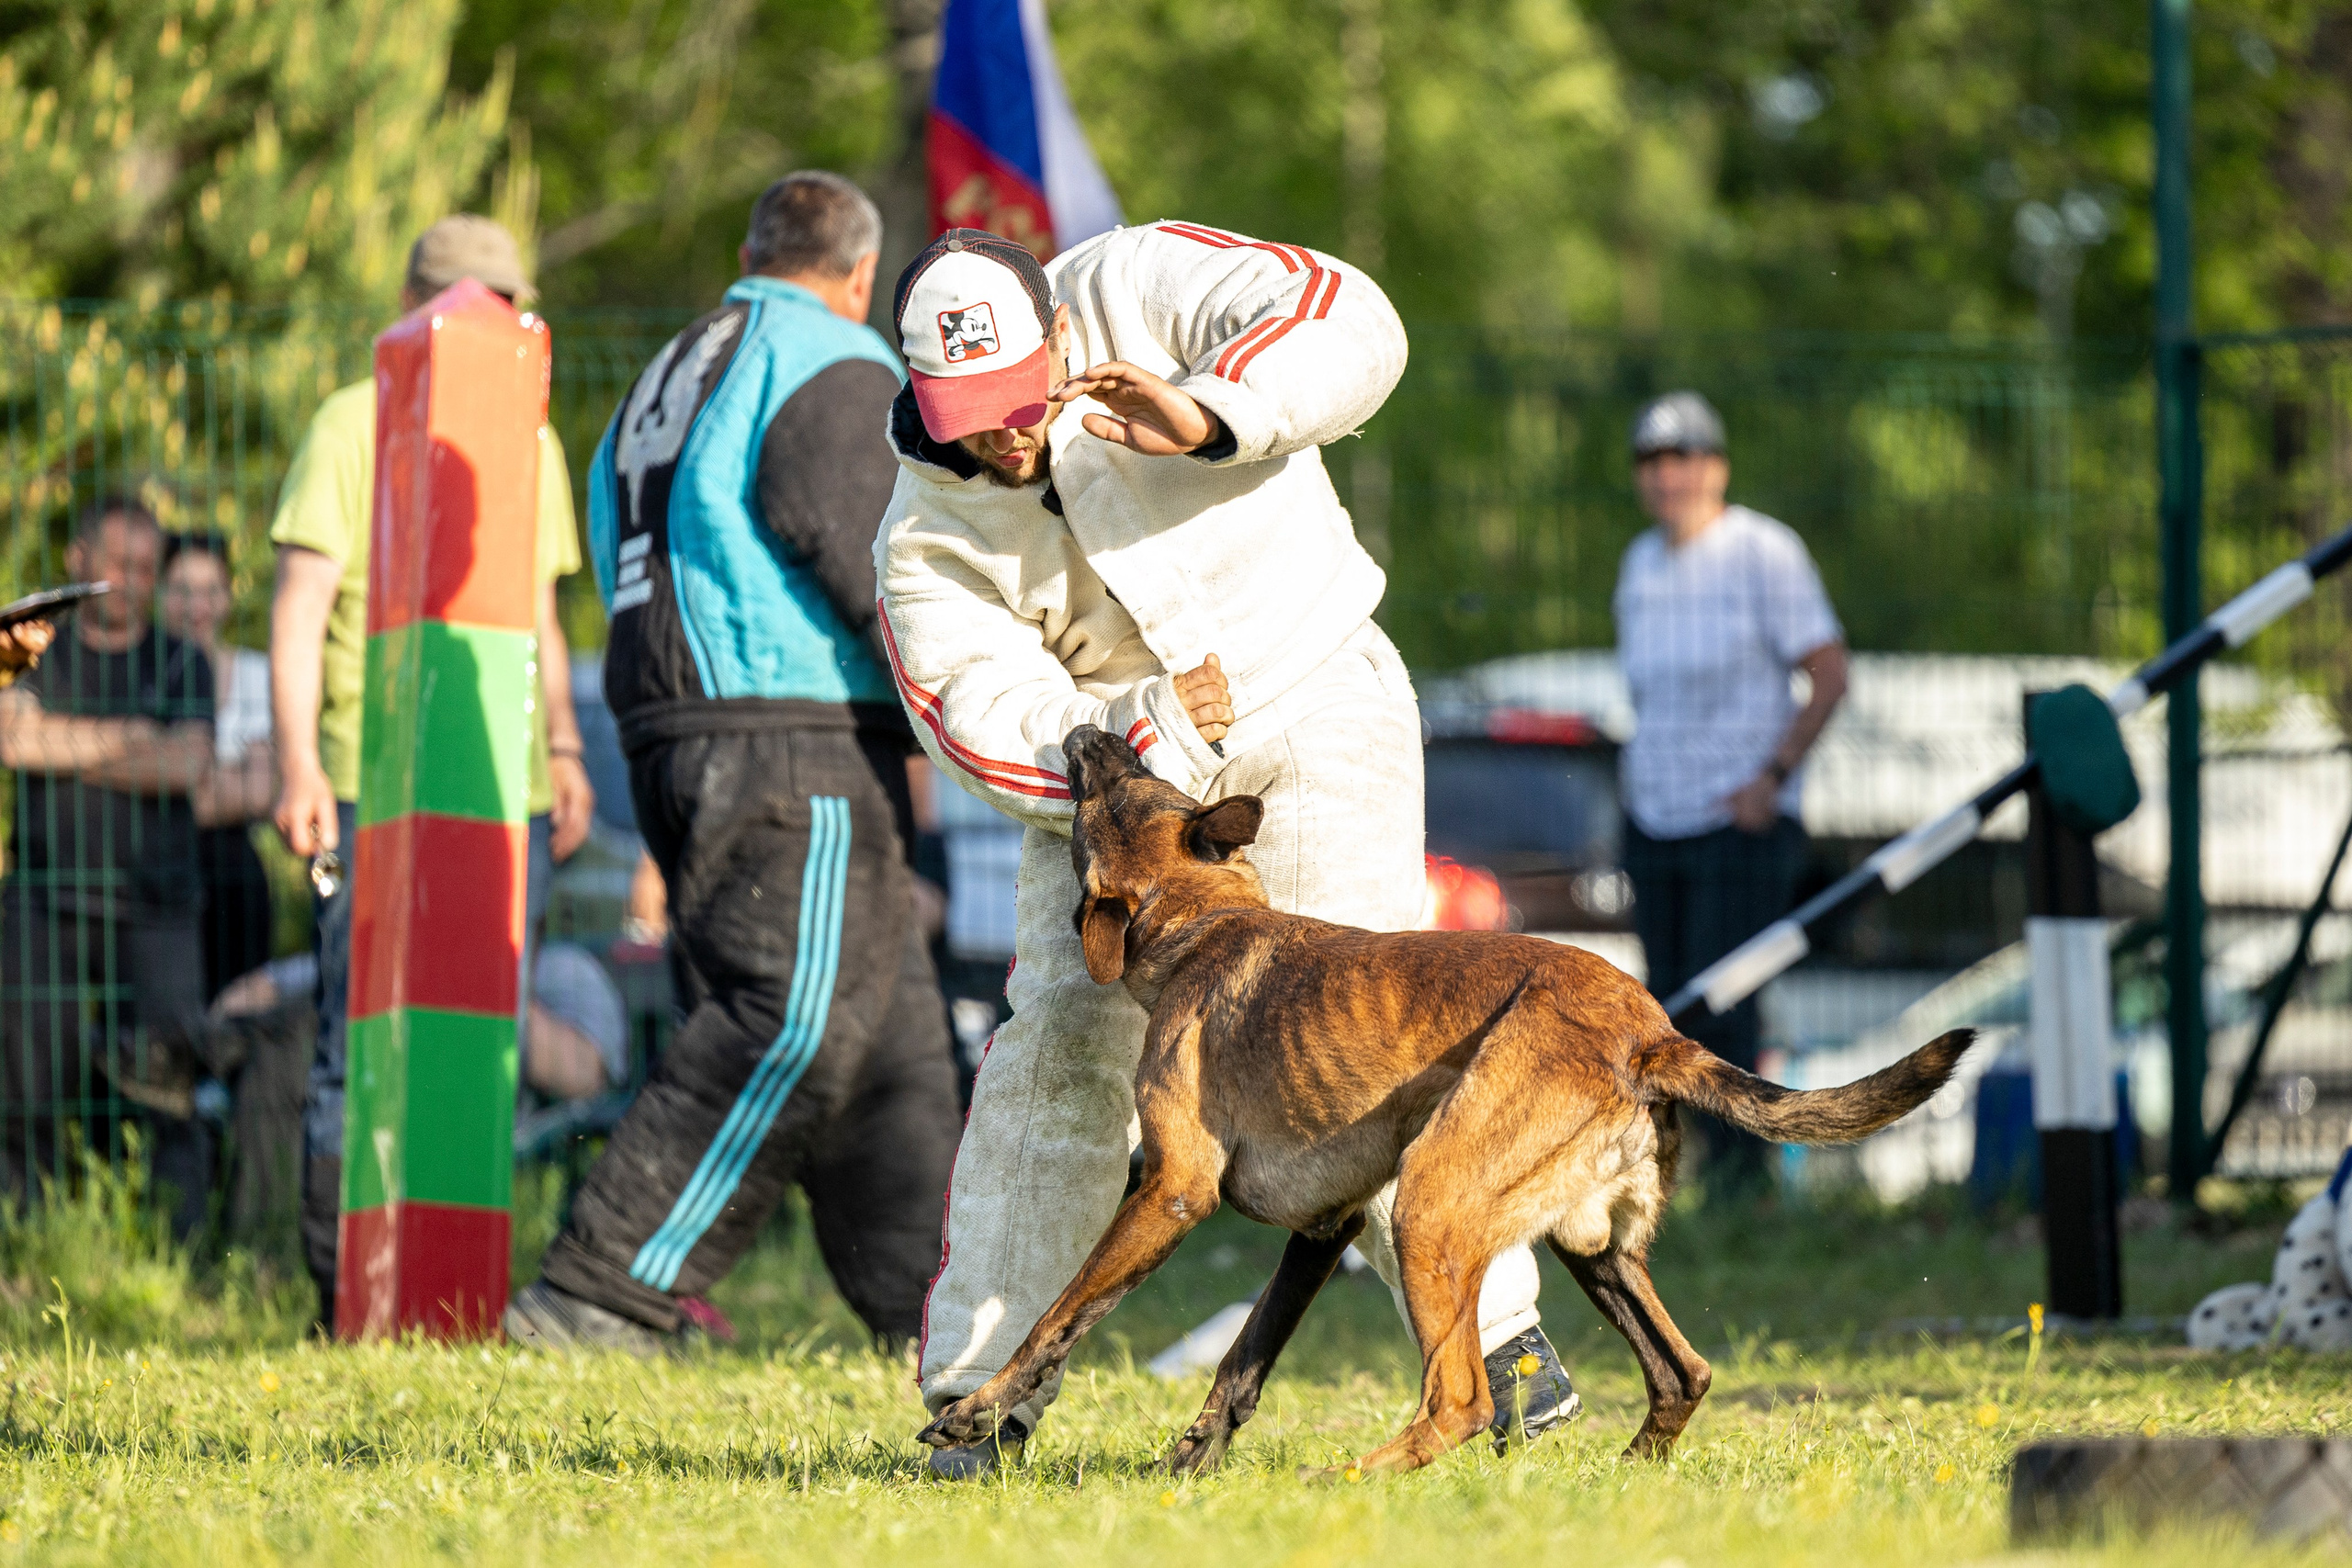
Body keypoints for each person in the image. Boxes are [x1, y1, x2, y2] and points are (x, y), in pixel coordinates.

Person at [879, 223, 1575, 1478]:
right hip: (1117, 790)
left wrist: (1213, 413)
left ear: (1057, 330)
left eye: (1021, 397)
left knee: (1376, 1023)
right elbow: (979, 720)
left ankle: (1502, 1339)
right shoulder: (924, 539)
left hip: (1314, 689)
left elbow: (1355, 318)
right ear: (919, 399)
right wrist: (1137, 735)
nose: (1007, 435)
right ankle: (979, 1395)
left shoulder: (1138, 278)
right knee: (1057, 1052)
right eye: (971, 418)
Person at [502, 173, 961, 1356]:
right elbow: (867, 556)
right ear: (860, 277)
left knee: (885, 1037)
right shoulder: (832, 361)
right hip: (786, 726)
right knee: (793, 1016)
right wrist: (961, 694)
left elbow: (617, 543)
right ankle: (604, 1289)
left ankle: (943, 1311)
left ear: (749, 250)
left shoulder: (674, 369)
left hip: (666, 718)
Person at [268, 214, 595, 1329]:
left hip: (511, 797)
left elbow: (541, 618)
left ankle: (453, 1297)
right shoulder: (355, 421)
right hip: (377, 781)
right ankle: (346, 1302)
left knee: (477, 1042)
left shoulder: (533, 438)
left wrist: (561, 748)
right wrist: (301, 763)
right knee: (357, 1043)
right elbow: (300, 609)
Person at [1612, 391, 1849, 1201]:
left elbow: (1828, 670)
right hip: (1656, 816)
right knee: (1665, 1010)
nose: (1667, 475)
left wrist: (1774, 778)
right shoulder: (1640, 563)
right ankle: (1683, 1183)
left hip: (1737, 818)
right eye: (1652, 460)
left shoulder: (1763, 552)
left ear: (1717, 467)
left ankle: (1750, 1185)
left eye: (1683, 457)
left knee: (1729, 1012)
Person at [0, 498, 246, 1234]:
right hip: (44, 897)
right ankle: (23, 1238)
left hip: (157, 906)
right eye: (117, 564)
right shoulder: (33, 642)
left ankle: (180, 1246)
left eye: (145, 569)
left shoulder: (181, 659)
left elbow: (187, 763)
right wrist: (132, 739)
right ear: (79, 559)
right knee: (23, 1081)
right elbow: (11, 742)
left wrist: (67, 745)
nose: (131, 582)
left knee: (171, 1083)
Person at [160, 533, 277, 1000]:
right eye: (182, 590)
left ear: (228, 596)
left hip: (233, 881)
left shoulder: (258, 674)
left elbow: (265, 790)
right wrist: (229, 774)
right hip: (155, 875)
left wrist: (166, 777)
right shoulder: (136, 677)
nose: (197, 605)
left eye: (210, 590)